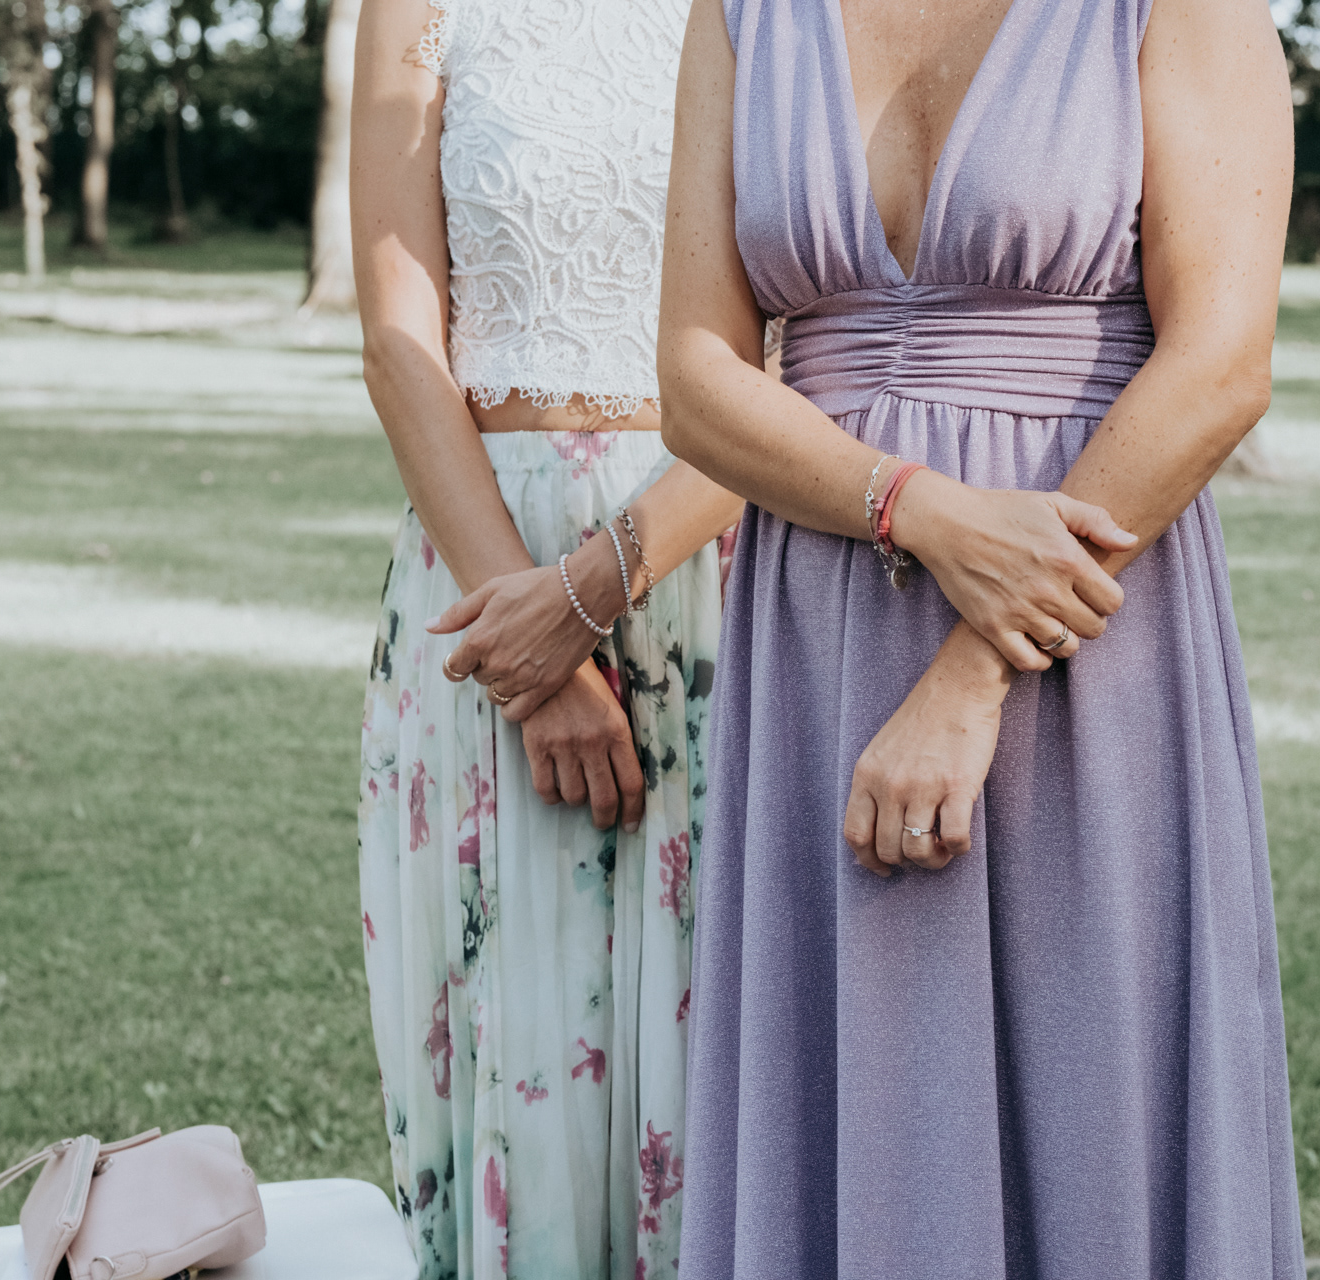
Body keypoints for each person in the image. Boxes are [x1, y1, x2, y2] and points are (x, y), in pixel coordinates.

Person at [659, 0, 1301, 1272]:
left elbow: (1222, 363)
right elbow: (694, 378)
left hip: (1084, 624)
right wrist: (917, 508)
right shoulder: (741, 14)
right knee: (846, 1077)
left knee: (1092, 1084)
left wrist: (974, 668)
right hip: (822, 621)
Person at [348, 0, 745, 1269]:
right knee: (518, 1057)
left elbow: (801, 349)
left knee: (720, 1048)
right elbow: (399, 338)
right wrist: (532, 644)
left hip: (712, 568)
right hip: (484, 569)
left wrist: (593, 590)